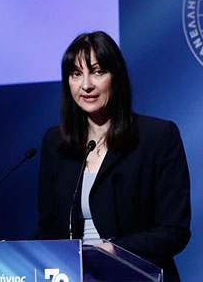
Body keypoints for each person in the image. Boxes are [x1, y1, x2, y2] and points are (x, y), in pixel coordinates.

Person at [35, 31, 191, 281]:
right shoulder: (55, 143)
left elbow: (174, 232)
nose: (86, 85)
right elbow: (48, 229)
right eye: (76, 74)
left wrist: (114, 249)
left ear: (115, 77)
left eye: (97, 72)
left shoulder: (157, 137)